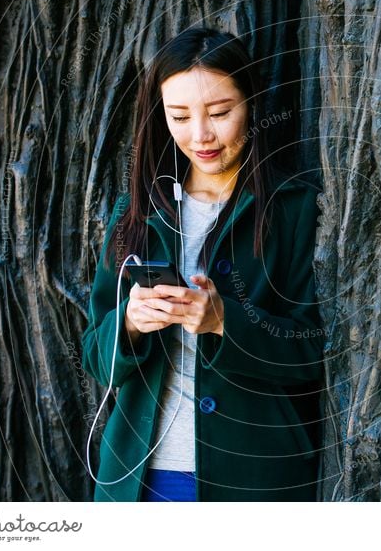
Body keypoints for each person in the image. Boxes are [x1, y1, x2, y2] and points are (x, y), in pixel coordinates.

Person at [80, 27, 325, 502]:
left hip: (251, 480)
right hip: (139, 477)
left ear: (250, 104)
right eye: (179, 116)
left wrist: (223, 323)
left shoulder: (293, 208)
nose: (201, 135)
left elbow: (313, 352)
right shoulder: (136, 210)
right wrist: (128, 325)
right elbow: (94, 354)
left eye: (219, 113)